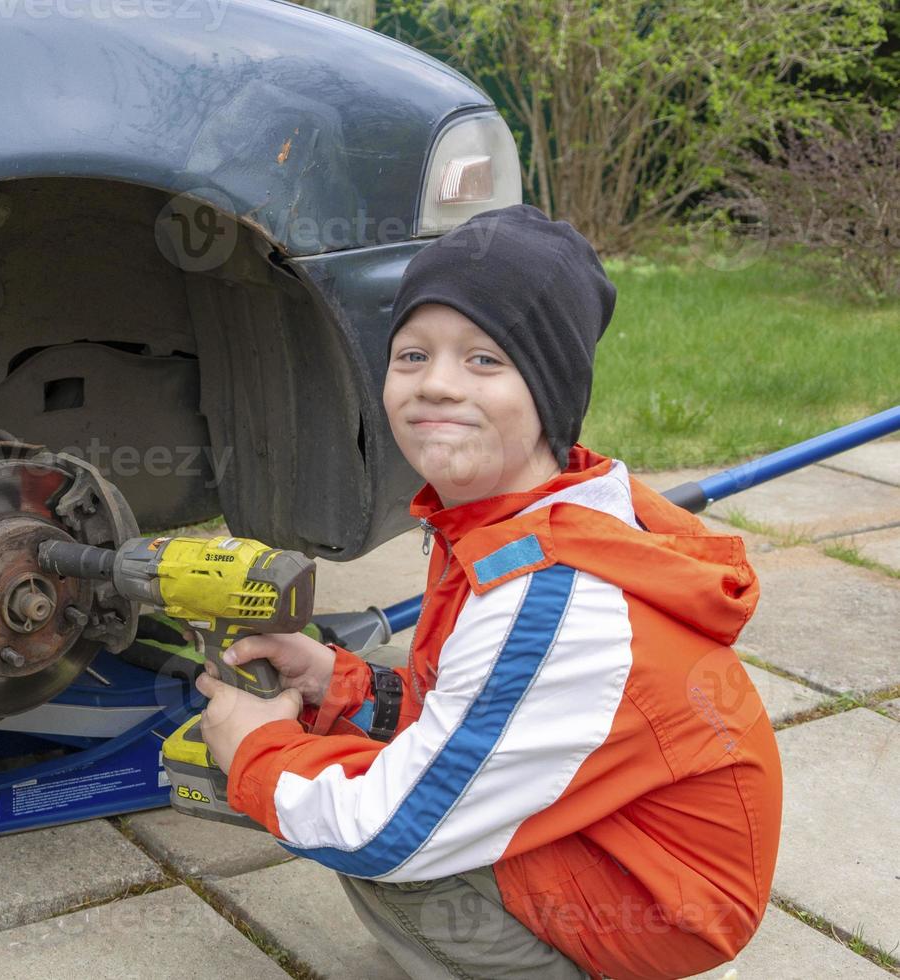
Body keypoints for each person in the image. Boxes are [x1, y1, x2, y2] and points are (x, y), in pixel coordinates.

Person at [192, 204, 783, 980]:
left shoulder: (553, 600)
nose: (435, 384)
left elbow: (385, 829)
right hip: (626, 845)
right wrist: (337, 682)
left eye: (483, 360)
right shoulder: (513, 523)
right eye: (411, 355)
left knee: (376, 849)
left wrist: (258, 751)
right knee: (377, 775)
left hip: (667, 912)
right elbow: (475, 709)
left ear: (548, 391)